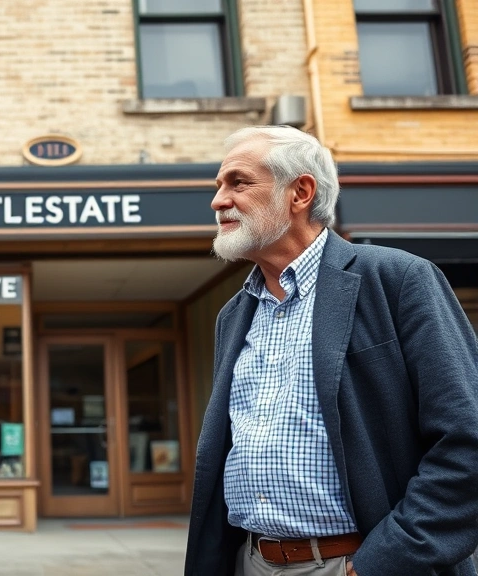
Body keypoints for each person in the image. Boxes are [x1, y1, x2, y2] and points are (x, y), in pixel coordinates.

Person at [185, 126, 478, 576]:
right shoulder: (235, 314)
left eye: (238, 183)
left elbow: (467, 441)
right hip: (251, 560)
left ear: (300, 192)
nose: (218, 200)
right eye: (219, 185)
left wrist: (379, 563)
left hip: (358, 563)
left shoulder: (397, 280)